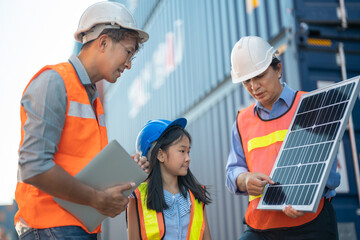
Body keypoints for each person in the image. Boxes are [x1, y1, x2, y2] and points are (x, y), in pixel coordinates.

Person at [14, 1, 149, 239]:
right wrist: (98, 199)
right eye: (128, 52)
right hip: (49, 229)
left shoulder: (92, 100)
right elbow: (34, 168)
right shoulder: (54, 82)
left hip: (78, 228)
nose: (128, 64)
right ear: (104, 42)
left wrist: (125, 172)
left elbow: (79, 165)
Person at [225, 36, 340, 240]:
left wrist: (306, 196)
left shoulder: (311, 106)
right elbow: (233, 170)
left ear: (278, 69)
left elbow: (329, 171)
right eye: (246, 81)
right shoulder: (242, 121)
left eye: (259, 76)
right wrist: (244, 179)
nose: (254, 87)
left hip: (310, 224)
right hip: (260, 226)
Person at [127, 118, 212, 239]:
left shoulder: (196, 196)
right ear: (160, 155)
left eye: (188, 151)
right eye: (182, 151)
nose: (188, 158)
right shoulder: (137, 197)